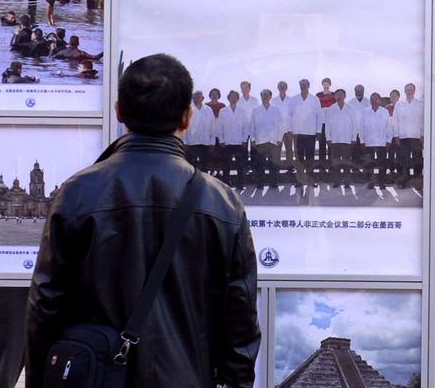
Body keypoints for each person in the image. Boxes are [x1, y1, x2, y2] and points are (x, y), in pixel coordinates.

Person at [24, 54, 260, 387]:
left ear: (119, 111)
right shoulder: (222, 203)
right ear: (188, 117)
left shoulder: (78, 193)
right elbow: (241, 324)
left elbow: (45, 306)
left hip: (96, 378)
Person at [288, 79, 324, 191]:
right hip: (297, 133)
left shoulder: (314, 99)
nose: (303, 86)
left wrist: (318, 131)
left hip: (310, 133)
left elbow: (320, 116)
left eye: (305, 85)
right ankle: (300, 181)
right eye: (301, 85)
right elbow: (289, 116)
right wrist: (289, 130)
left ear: (309, 86)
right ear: (299, 86)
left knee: (310, 158)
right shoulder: (294, 99)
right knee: (299, 159)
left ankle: (311, 180)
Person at [249, 89, 284, 187]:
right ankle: (260, 183)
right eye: (263, 95)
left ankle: (273, 182)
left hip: (273, 141)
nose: (265, 97)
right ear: (261, 97)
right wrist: (252, 139)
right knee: (260, 164)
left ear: (270, 97)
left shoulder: (276, 110)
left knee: (273, 164)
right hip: (260, 141)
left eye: (267, 95)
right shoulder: (255, 110)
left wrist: (279, 139)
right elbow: (252, 126)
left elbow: (281, 125)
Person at [392, 83, 424, 187]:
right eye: (407, 90)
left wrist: (422, 135)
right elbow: (395, 120)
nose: (409, 92)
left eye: (411, 90)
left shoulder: (420, 104)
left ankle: (417, 182)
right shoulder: (399, 104)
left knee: (417, 159)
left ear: (414, 91)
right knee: (403, 160)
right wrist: (396, 135)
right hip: (403, 137)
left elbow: (423, 120)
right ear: (404, 91)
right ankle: (402, 182)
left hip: (416, 136)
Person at [216, 90, 249, 188]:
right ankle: (226, 183)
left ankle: (240, 184)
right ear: (228, 98)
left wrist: (244, 139)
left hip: (239, 142)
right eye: (231, 97)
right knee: (227, 165)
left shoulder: (242, 111)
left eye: (235, 97)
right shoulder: (223, 111)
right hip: (226, 142)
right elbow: (219, 127)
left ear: (238, 99)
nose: (233, 99)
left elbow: (246, 127)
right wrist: (221, 140)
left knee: (240, 165)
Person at [359, 92, 393, 189]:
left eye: (375, 99)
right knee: (369, 164)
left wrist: (389, 140)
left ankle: (382, 182)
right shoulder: (365, 112)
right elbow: (361, 127)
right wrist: (362, 141)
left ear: (379, 100)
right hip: (369, 142)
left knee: (382, 164)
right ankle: (371, 182)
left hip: (382, 142)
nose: (373, 101)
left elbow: (389, 127)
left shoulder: (385, 112)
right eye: (371, 99)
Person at [324, 89, 357, 187]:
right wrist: (328, 138)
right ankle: (336, 182)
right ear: (335, 97)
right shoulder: (330, 109)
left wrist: (354, 137)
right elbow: (327, 125)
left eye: (341, 94)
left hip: (347, 140)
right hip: (335, 140)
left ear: (345, 96)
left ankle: (347, 182)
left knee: (347, 163)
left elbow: (354, 125)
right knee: (336, 163)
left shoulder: (350, 108)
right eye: (337, 95)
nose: (339, 96)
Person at [185, 90, 216, 171]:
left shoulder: (208, 110)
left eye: (198, 97)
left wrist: (212, 142)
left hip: (204, 143)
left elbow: (213, 127)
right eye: (194, 98)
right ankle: (192, 183)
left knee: (205, 166)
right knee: (191, 167)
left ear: (202, 98)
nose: (196, 99)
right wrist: (184, 143)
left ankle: (203, 183)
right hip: (191, 143)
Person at [272, 81, 294, 171]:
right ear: (278, 88)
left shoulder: (291, 100)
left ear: (286, 88)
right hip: (277, 130)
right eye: (280, 86)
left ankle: (290, 166)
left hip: (288, 129)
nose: (282, 88)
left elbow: (292, 115)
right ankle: (277, 166)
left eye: (283, 86)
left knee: (289, 149)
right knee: (277, 149)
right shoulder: (274, 100)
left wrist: (291, 129)